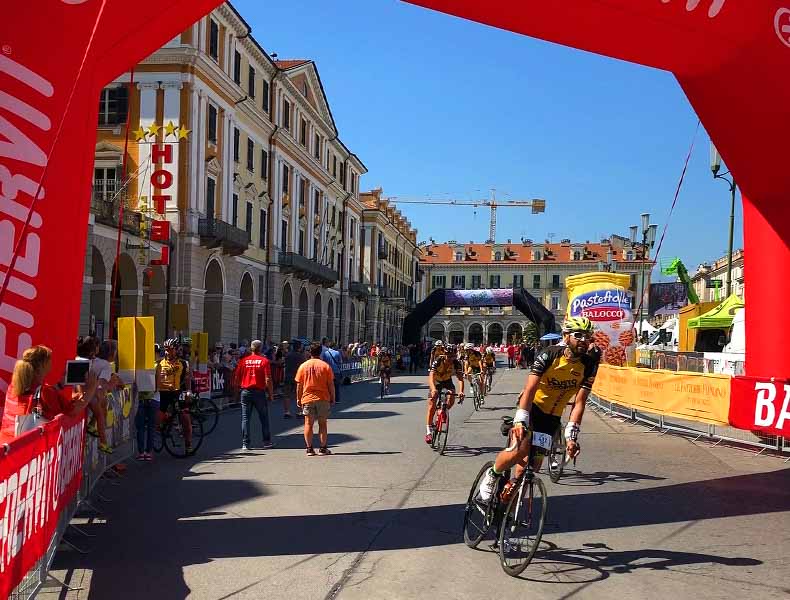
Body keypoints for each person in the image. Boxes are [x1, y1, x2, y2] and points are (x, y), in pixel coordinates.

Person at [477, 317, 599, 502]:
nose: (584, 340)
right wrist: (520, 420)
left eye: (588, 336)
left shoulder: (589, 365)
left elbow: (580, 402)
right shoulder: (549, 355)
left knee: (533, 465)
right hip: (533, 409)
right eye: (578, 335)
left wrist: (571, 436)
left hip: (552, 418)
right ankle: (493, 474)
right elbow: (530, 389)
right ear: (566, 336)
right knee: (519, 450)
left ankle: (509, 505)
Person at [1, 345, 95, 442]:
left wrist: (60, 385)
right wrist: (91, 388)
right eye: (50, 360)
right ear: (42, 367)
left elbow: (36, 395)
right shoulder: (47, 392)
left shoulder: (13, 387)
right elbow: (73, 411)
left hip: (7, 445)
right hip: (29, 448)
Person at [295, 342, 336, 456]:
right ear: (320, 352)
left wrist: (298, 398)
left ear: (310, 352)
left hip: (307, 398)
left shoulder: (303, 366)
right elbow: (331, 384)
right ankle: (323, 448)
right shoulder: (325, 366)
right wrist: (333, 397)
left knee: (308, 424)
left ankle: (309, 449)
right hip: (323, 398)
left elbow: (299, 385)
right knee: (323, 424)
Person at [235, 340, 275, 450]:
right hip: (259, 392)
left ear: (251, 348)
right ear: (261, 348)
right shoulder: (264, 361)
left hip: (245, 391)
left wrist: (236, 393)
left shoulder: (243, 361)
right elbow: (268, 379)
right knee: (264, 418)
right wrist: (271, 394)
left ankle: (245, 443)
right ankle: (266, 442)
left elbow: (237, 378)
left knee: (245, 418)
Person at [156, 339, 193, 453]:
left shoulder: (183, 363)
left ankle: (188, 444)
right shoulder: (159, 363)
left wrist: (188, 391)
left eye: (170, 350)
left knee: (185, 419)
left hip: (178, 393)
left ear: (176, 350)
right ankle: (164, 426)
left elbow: (187, 378)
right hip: (163, 393)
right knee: (158, 421)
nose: (167, 352)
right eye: (166, 350)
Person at [425, 344, 465, 443]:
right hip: (436, 381)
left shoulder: (456, 363)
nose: (450, 358)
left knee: (452, 396)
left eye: (453, 356)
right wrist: (433, 389)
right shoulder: (438, 360)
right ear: (444, 354)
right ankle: (429, 431)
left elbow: (460, 379)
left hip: (447, 381)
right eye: (448, 355)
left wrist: (461, 391)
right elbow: (431, 376)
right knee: (432, 404)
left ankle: (444, 410)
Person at [282, 341, 305, 419]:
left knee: (287, 395)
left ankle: (287, 412)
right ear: (299, 347)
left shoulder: (288, 355)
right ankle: (299, 411)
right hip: (298, 377)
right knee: (299, 395)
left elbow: (284, 363)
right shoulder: (301, 356)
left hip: (288, 376)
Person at [320, 338, 343, 404]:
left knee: (328, 385)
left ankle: (329, 398)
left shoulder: (325, 353)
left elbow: (324, 362)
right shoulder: (337, 352)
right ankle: (337, 399)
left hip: (328, 371)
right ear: (334, 346)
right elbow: (340, 361)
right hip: (336, 371)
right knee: (336, 386)